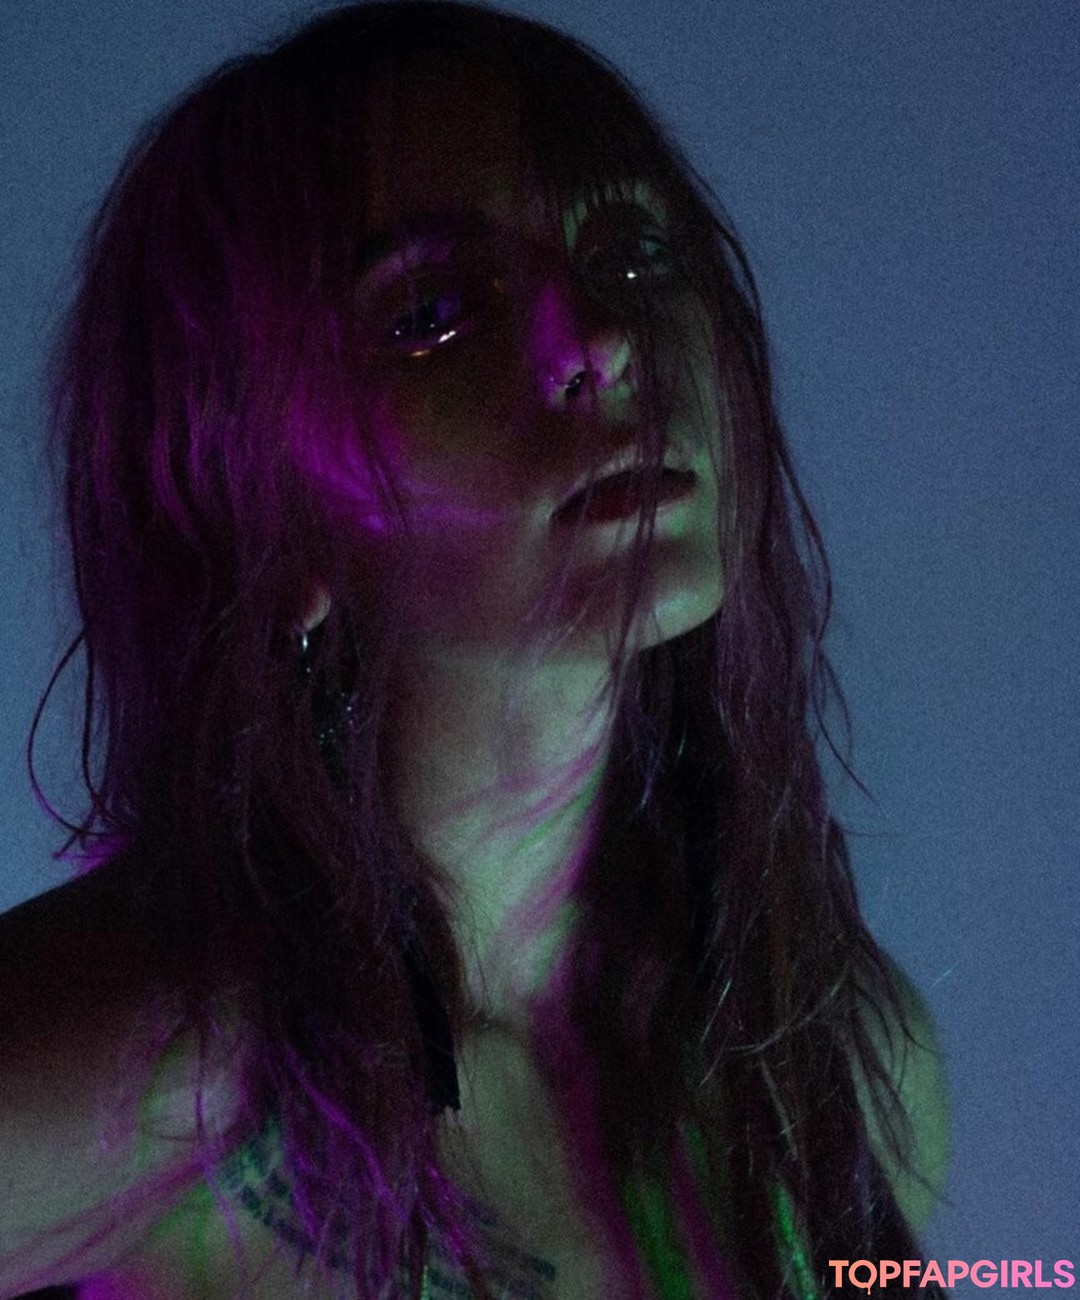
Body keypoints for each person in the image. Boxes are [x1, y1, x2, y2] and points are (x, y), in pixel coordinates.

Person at [0, 2, 950, 1297]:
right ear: (257, 511)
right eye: (432, 311)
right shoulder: (154, 1077)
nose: (601, 340)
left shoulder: (836, 1066)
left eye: (635, 252)